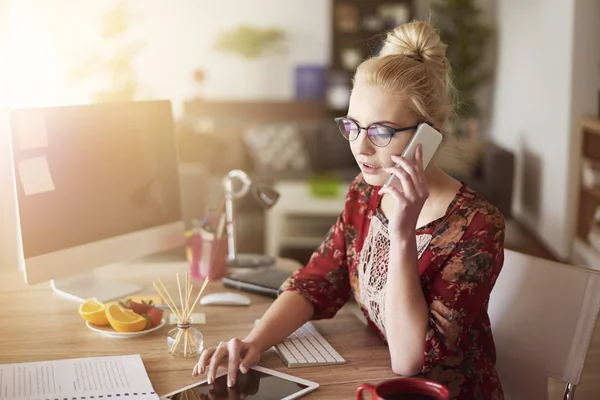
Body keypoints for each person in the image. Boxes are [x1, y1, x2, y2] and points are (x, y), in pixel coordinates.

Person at [193, 20, 505, 400]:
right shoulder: (366, 193)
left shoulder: (476, 226)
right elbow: (317, 281)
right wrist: (254, 342)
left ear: (431, 131)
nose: (360, 147)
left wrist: (402, 234)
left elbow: (410, 361)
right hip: (375, 380)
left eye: (381, 132)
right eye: (353, 127)